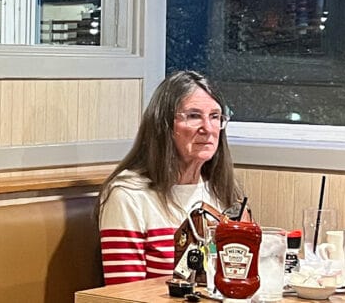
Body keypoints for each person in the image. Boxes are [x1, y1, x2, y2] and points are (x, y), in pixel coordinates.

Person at [98, 70, 243, 285]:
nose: (208, 128)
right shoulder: (128, 195)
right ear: (163, 125)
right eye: (194, 116)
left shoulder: (221, 190)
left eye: (215, 117)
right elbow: (124, 295)